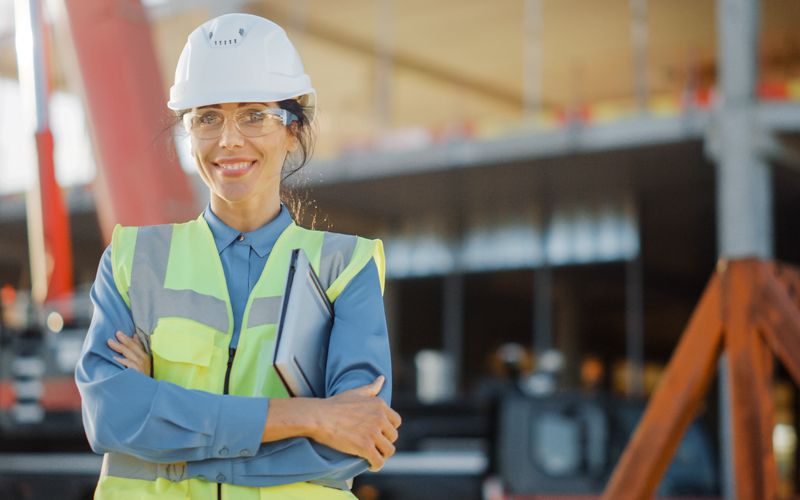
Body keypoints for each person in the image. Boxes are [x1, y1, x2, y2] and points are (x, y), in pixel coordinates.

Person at [75, 13, 400, 500]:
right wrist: (309, 416)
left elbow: (352, 445)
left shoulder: (344, 268)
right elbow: (112, 416)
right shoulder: (133, 260)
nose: (229, 139)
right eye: (207, 117)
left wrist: (169, 436)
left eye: (254, 115)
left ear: (293, 130)